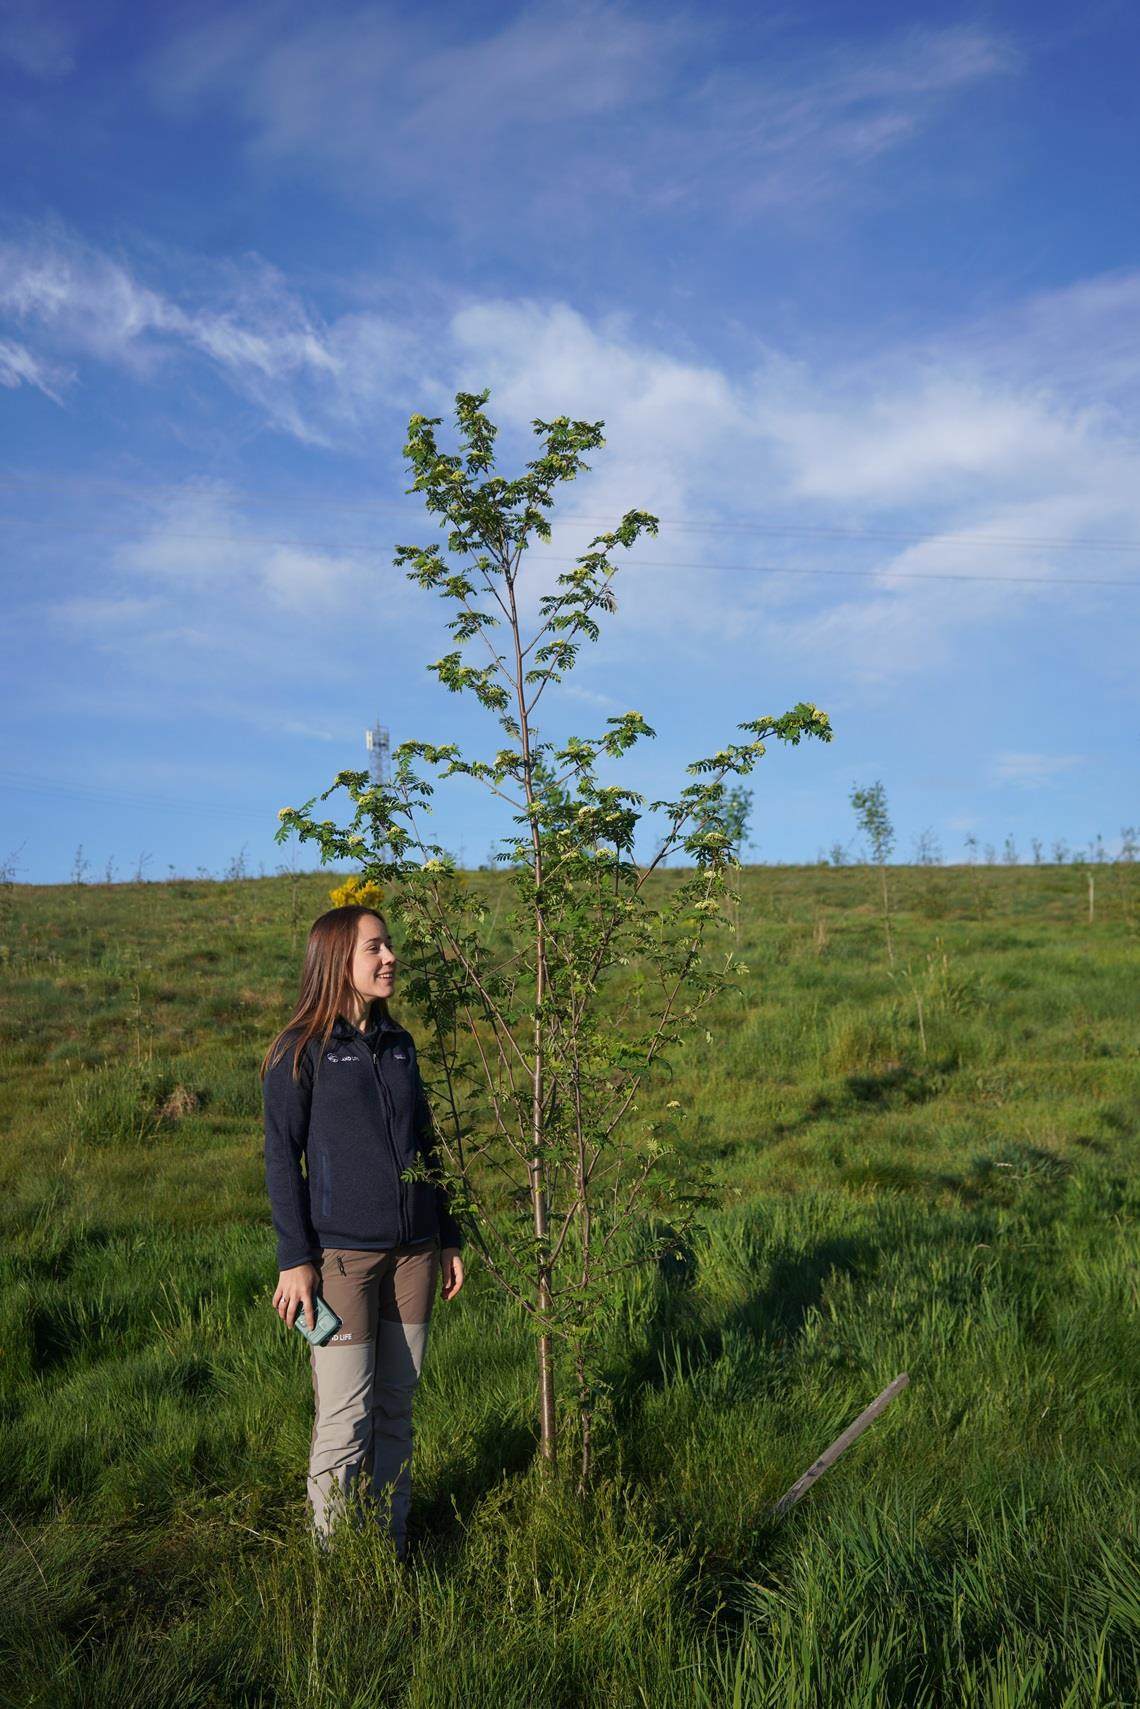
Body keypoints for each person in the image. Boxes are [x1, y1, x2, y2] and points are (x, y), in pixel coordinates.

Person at [259, 904, 465, 1561]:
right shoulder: (301, 1051)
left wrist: (450, 1233)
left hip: (415, 1256)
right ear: (336, 960)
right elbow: (278, 1155)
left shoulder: (399, 1043)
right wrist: (296, 1259)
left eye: (389, 944)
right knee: (345, 1417)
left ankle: (390, 1544)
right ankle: (334, 1564)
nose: (390, 957)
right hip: (342, 1261)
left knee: (395, 1411)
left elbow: (426, 1142)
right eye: (375, 947)